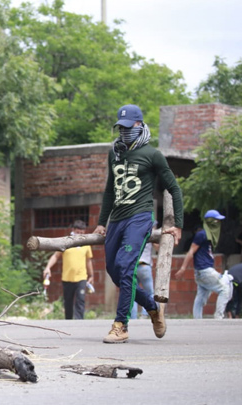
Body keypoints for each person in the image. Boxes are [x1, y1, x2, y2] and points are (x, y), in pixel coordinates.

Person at [93, 104, 183, 344]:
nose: (123, 132)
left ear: (139, 125)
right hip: (117, 219)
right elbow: (110, 190)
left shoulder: (152, 154)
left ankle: (120, 325)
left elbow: (173, 188)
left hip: (140, 217)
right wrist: (102, 223)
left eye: (127, 127)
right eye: (119, 127)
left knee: (126, 267)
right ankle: (153, 308)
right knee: (114, 271)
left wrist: (178, 224)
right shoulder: (115, 152)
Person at [174, 210, 231, 319]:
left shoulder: (209, 234)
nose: (219, 222)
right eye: (217, 220)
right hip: (204, 270)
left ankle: (197, 321)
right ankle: (219, 318)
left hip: (202, 271)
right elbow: (191, 252)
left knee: (200, 298)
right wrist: (182, 268)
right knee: (225, 289)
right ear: (210, 221)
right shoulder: (202, 234)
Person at [43, 220, 94, 320]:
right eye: (77, 232)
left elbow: (88, 261)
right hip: (67, 278)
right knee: (68, 302)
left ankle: (79, 322)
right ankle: (68, 322)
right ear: (73, 230)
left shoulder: (86, 244)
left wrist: (91, 275)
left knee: (80, 300)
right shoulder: (66, 242)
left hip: (81, 278)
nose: (79, 234)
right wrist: (48, 267)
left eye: (81, 232)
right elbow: (55, 256)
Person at [130, 240, 156, 319]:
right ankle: (145, 313)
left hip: (133, 266)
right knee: (150, 292)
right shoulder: (150, 232)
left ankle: (133, 317)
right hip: (145, 265)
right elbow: (158, 247)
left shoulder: (132, 232)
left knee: (133, 293)